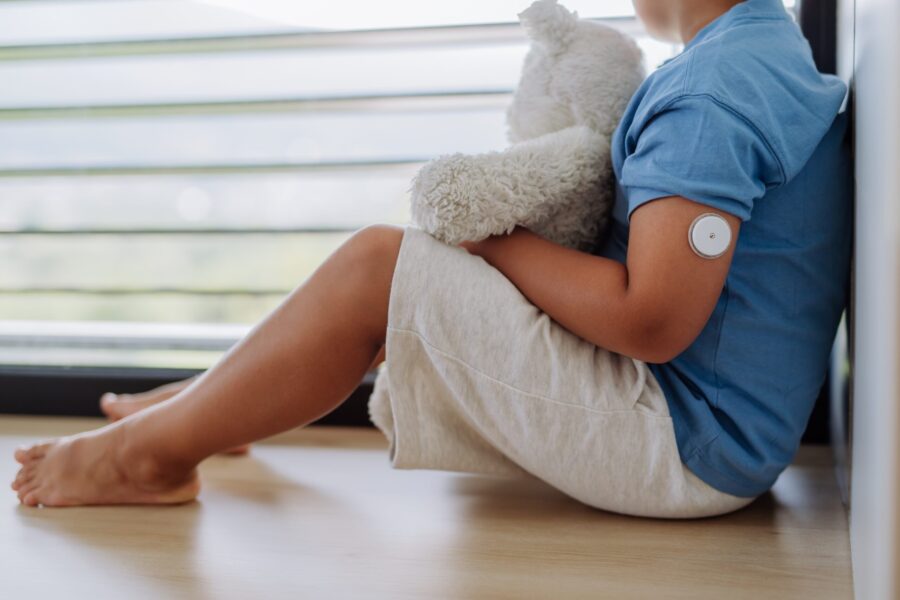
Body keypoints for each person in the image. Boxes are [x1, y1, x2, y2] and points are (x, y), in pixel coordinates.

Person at [10, 0, 850, 517]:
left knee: (387, 267)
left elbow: (653, 319)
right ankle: (211, 402)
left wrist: (490, 237)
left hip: (688, 444)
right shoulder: (749, 57)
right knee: (417, 273)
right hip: (711, 428)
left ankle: (150, 459)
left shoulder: (711, 96)